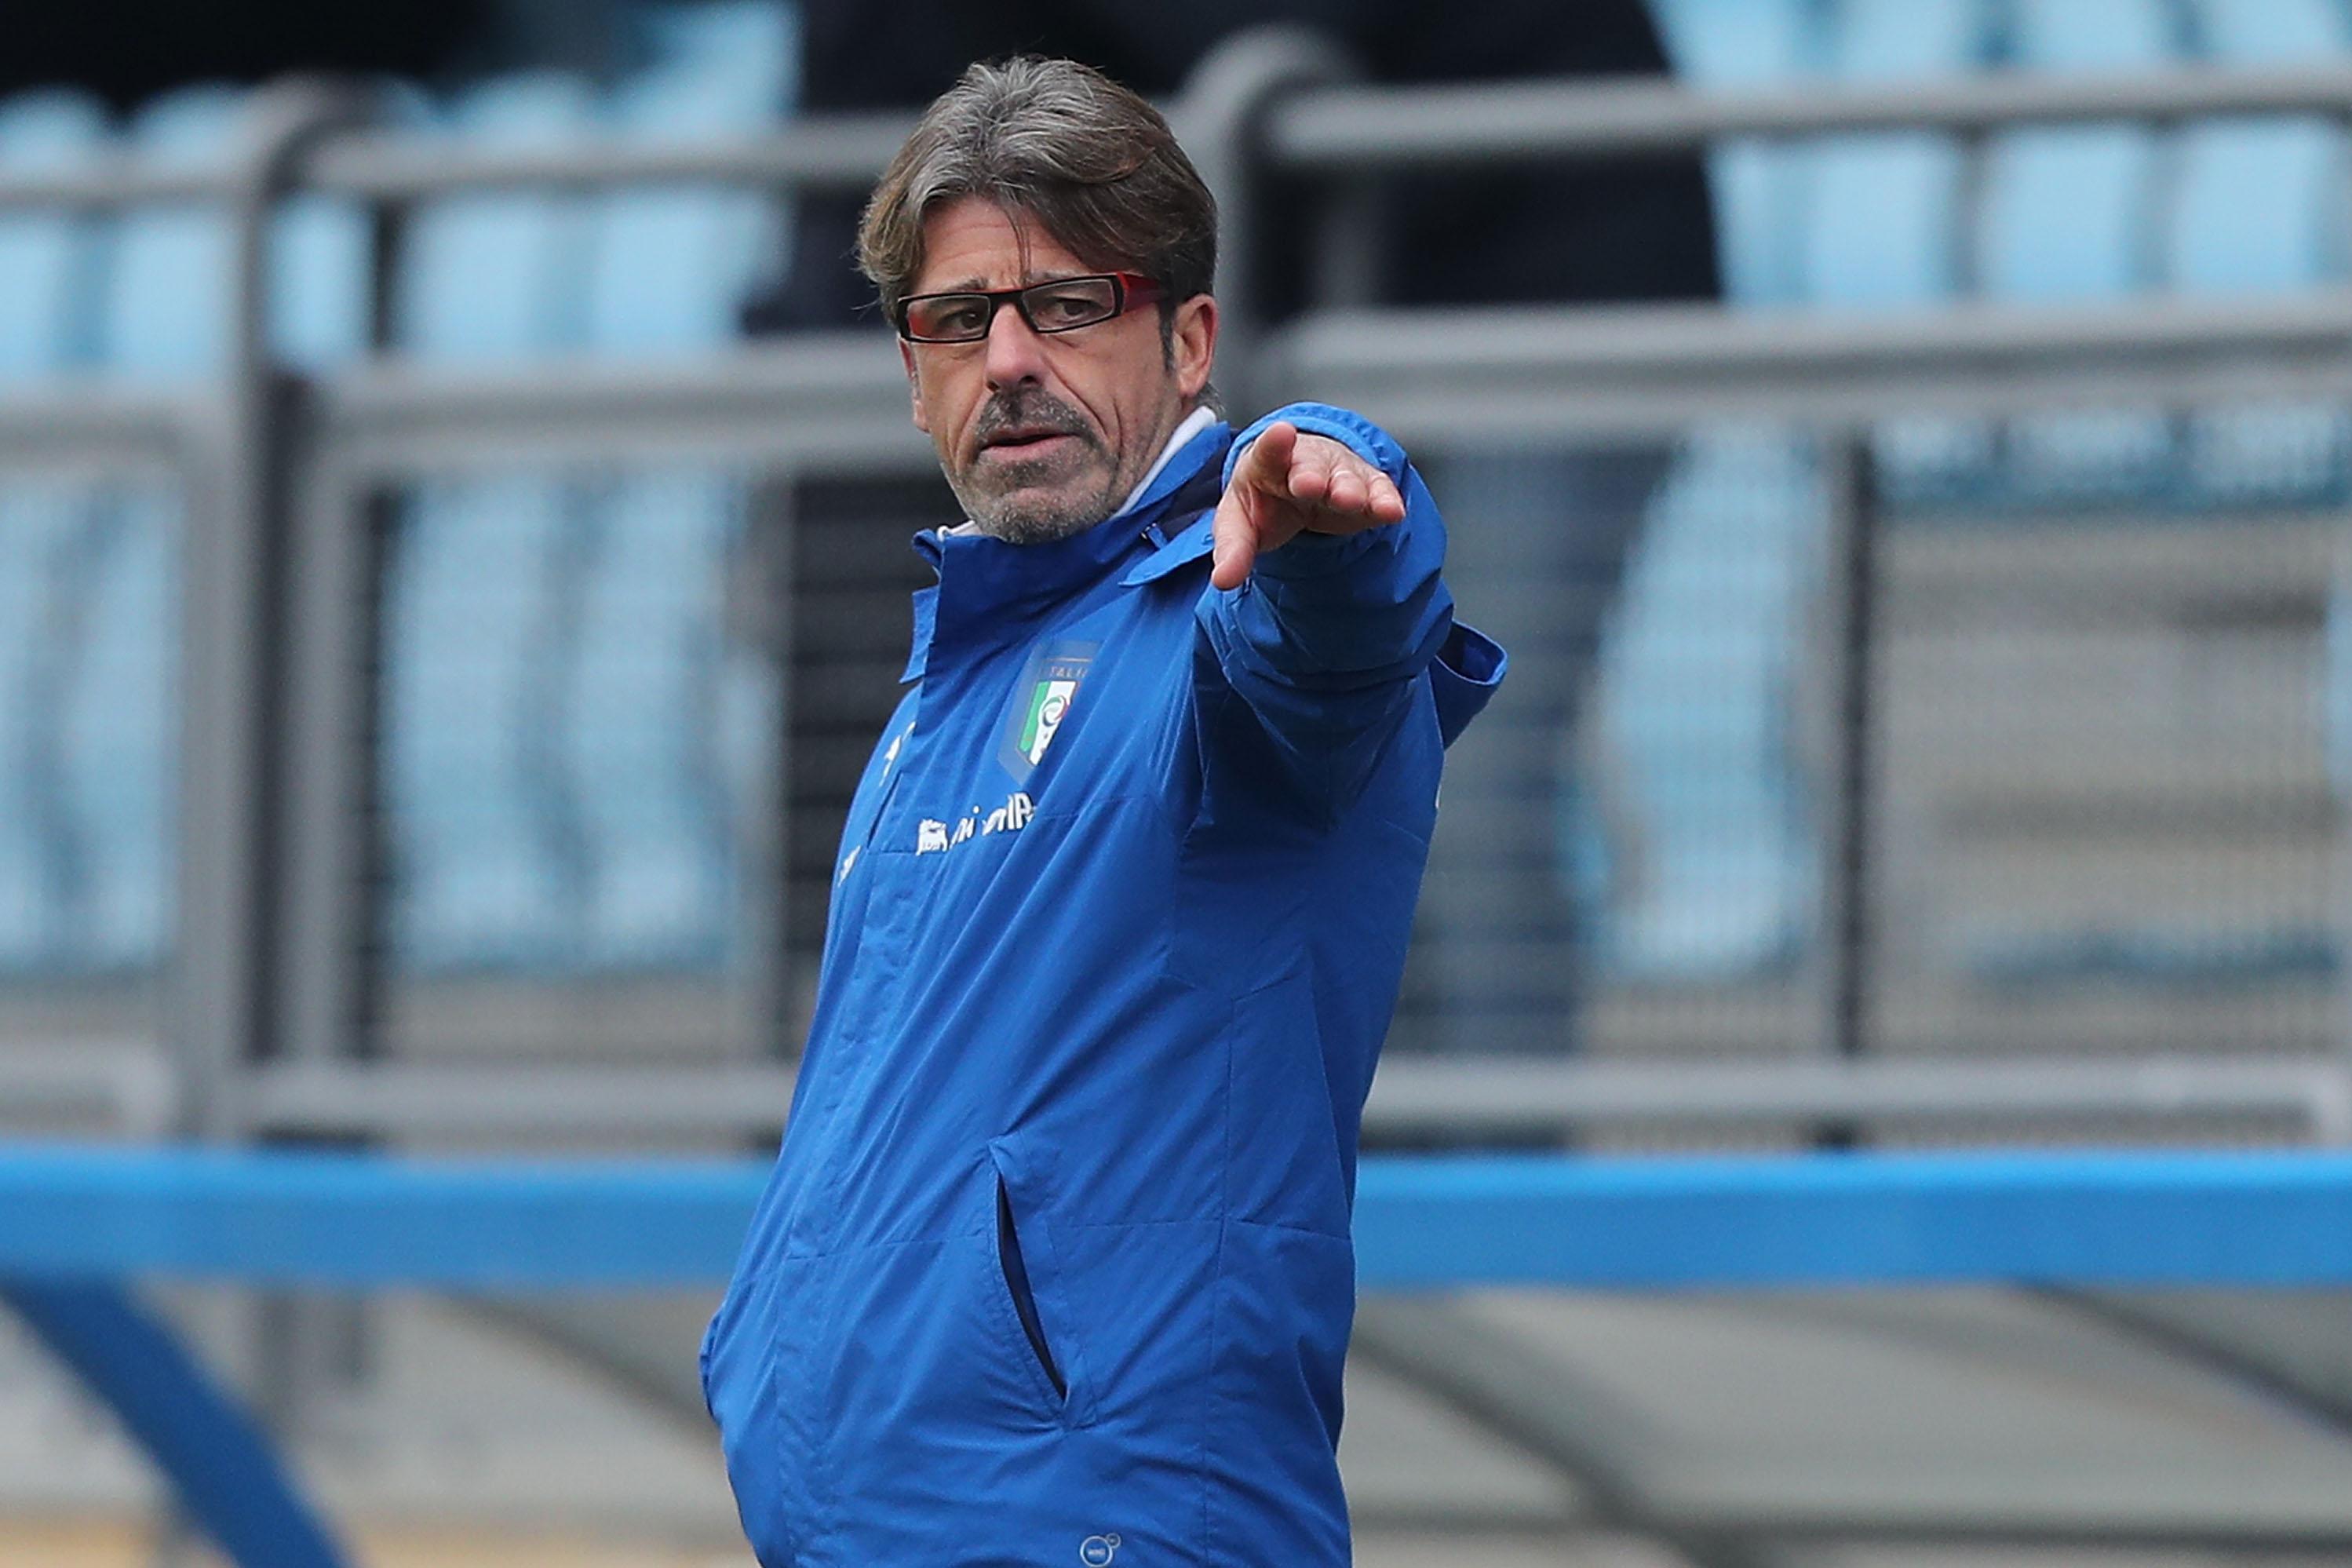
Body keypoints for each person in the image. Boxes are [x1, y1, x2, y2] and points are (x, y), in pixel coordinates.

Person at [699, 54, 1502, 1566]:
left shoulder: (1221, 627)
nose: (1008, 358)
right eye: (957, 319)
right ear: (912, 367)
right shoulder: (955, 677)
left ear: (1192, 339)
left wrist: (1333, 496)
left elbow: (1335, 637)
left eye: (1071, 304)